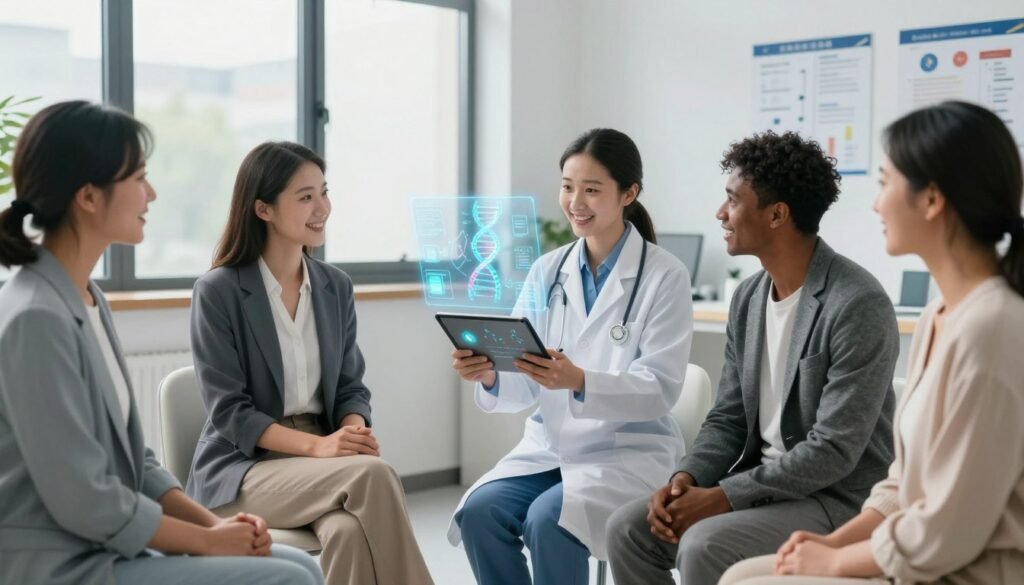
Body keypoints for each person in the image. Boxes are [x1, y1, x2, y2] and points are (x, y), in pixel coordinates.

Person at [0, 101, 322, 585]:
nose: (150, 193)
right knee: (288, 577)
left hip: (101, 543)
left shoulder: (85, 296)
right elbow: (84, 499)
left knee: (295, 562)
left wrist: (214, 523)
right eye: (138, 178)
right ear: (89, 196)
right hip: (60, 561)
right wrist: (208, 542)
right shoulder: (35, 318)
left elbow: (136, 461)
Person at [721, 101, 1024, 584]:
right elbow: (904, 483)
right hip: (921, 558)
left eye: (885, 183)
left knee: (748, 580)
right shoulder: (939, 314)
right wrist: (834, 542)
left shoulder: (993, 328)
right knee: (743, 577)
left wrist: (838, 562)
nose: (875, 203)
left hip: (964, 572)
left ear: (931, 199)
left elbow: (950, 528)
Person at [606, 130, 900, 585]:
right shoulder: (748, 297)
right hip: (761, 484)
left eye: (732, 201)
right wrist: (688, 477)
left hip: (834, 498)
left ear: (778, 214)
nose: (720, 214)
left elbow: (834, 451)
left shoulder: (857, 303)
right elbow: (728, 417)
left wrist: (722, 497)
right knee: (628, 530)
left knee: (706, 545)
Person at [447, 128, 695, 585]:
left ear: (629, 193)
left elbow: (660, 388)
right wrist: (488, 375)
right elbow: (524, 377)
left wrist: (580, 380)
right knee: (479, 513)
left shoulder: (665, 276)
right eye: (567, 186)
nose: (575, 201)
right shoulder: (549, 271)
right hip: (550, 447)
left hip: (626, 454)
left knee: (549, 521)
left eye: (592, 189)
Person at [187, 141, 434, 585]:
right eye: (305, 197)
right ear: (263, 209)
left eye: (324, 192)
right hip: (245, 468)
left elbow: (349, 386)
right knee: (373, 477)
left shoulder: (334, 286)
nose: (323, 207)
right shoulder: (218, 292)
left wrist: (351, 431)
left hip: (323, 458)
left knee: (348, 530)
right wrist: (322, 447)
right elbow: (230, 413)